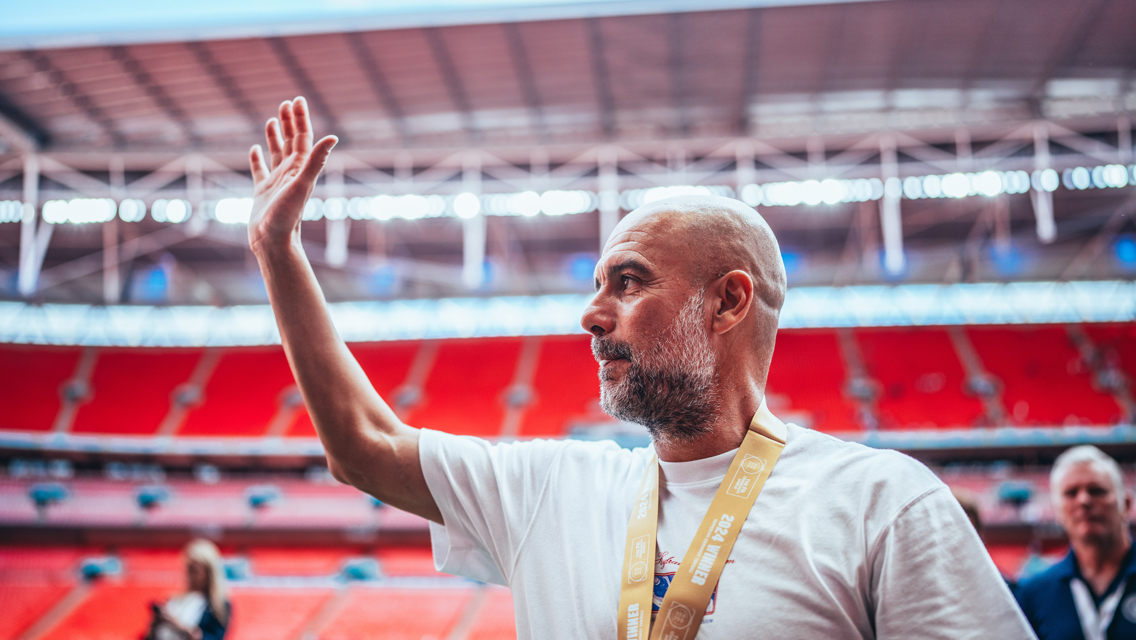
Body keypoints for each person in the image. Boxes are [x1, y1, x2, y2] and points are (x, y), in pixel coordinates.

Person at [245, 96, 1034, 639]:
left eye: (628, 282)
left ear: (727, 303)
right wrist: (277, 255)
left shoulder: (881, 505)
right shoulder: (550, 491)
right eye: (595, 288)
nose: (592, 315)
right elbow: (362, 444)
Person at [1016, 446, 1136, 640]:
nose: (1084, 500)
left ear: (1127, 504)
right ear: (1056, 511)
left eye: (1097, 491)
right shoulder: (1033, 595)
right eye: (1071, 493)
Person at [146, 539, 230, 640]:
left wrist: (180, 626)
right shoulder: (174, 599)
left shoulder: (218, 605)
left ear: (208, 572)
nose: (189, 575)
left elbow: (216, 637)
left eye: (194, 570)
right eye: (188, 569)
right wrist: (155, 624)